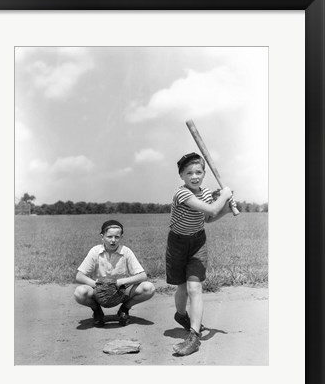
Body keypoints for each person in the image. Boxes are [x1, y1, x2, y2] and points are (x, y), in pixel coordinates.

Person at [166, 152, 236, 356]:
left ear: (204, 173)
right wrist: (224, 196)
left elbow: (209, 217)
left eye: (198, 172)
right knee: (182, 289)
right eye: (189, 173)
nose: (194, 176)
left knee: (195, 287)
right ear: (181, 175)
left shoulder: (205, 193)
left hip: (198, 242)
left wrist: (227, 209)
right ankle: (181, 315)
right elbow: (213, 209)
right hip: (177, 243)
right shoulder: (182, 194)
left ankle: (194, 337)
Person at [74, 220, 155, 327]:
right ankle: (97, 311)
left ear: (121, 237)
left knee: (149, 288)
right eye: (109, 236)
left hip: (121, 290)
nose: (113, 240)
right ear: (102, 237)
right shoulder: (95, 251)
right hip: (99, 291)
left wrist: (121, 282)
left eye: (117, 237)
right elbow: (79, 276)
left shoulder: (126, 251)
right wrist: (97, 285)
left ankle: (125, 308)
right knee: (80, 293)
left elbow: (142, 275)